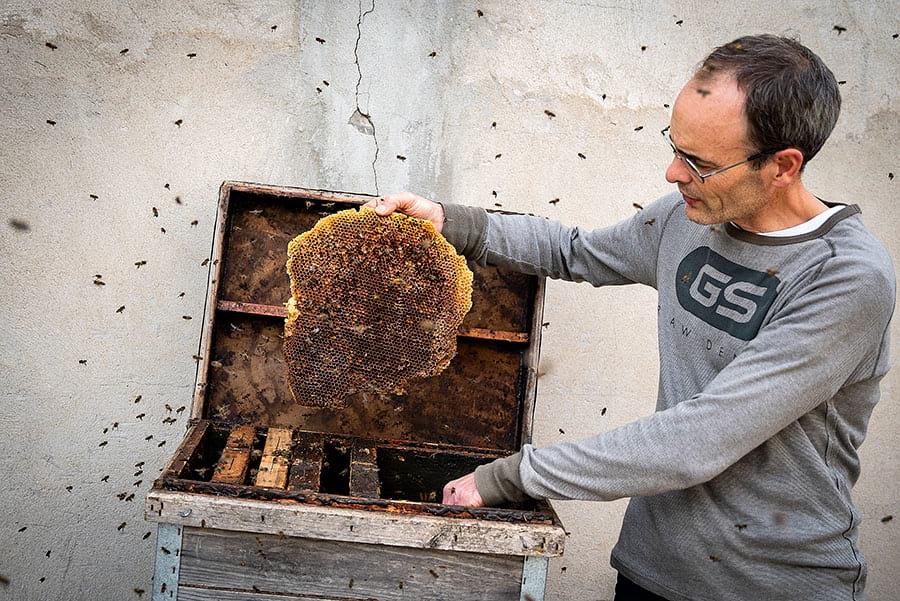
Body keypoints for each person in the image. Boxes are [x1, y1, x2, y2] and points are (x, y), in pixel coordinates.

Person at [364, 34, 895, 601]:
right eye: (675, 145)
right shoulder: (687, 217)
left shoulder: (844, 279)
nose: (672, 173)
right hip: (651, 568)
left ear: (783, 166)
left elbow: (700, 438)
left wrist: (511, 476)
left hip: (767, 585)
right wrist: (449, 222)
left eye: (700, 162)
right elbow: (575, 251)